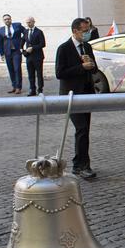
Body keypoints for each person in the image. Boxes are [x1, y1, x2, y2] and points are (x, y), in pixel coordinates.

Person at [55, 18, 99, 179]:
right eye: (84, 31)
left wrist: (92, 65)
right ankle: (82, 166)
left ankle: (79, 163)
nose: (87, 33)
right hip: (71, 97)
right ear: (75, 31)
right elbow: (60, 73)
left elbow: (94, 71)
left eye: (89, 30)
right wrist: (81, 67)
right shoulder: (64, 48)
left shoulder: (87, 46)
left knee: (84, 130)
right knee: (81, 129)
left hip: (87, 95)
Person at [0, 14, 24, 94]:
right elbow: (0, 42)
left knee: (17, 68)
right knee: (11, 69)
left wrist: (22, 43)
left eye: (8, 19)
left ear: (11, 19)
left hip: (16, 51)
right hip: (7, 52)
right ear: (3, 21)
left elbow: (25, 33)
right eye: (5, 19)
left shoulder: (17, 26)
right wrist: (2, 54)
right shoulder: (1, 30)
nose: (7, 20)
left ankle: (18, 87)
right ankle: (14, 86)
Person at [23, 16, 46, 96]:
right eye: (27, 22)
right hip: (29, 57)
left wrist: (33, 48)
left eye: (29, 22)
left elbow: (43, 44)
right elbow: (22, 42)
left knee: (39, 74)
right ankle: (32, 89)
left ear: (33, 22)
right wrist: (23, 51)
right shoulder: (25, 32)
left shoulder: (39, 32)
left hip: (38, 56)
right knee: (30, 74)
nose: (28, 24)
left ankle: (40, 89)